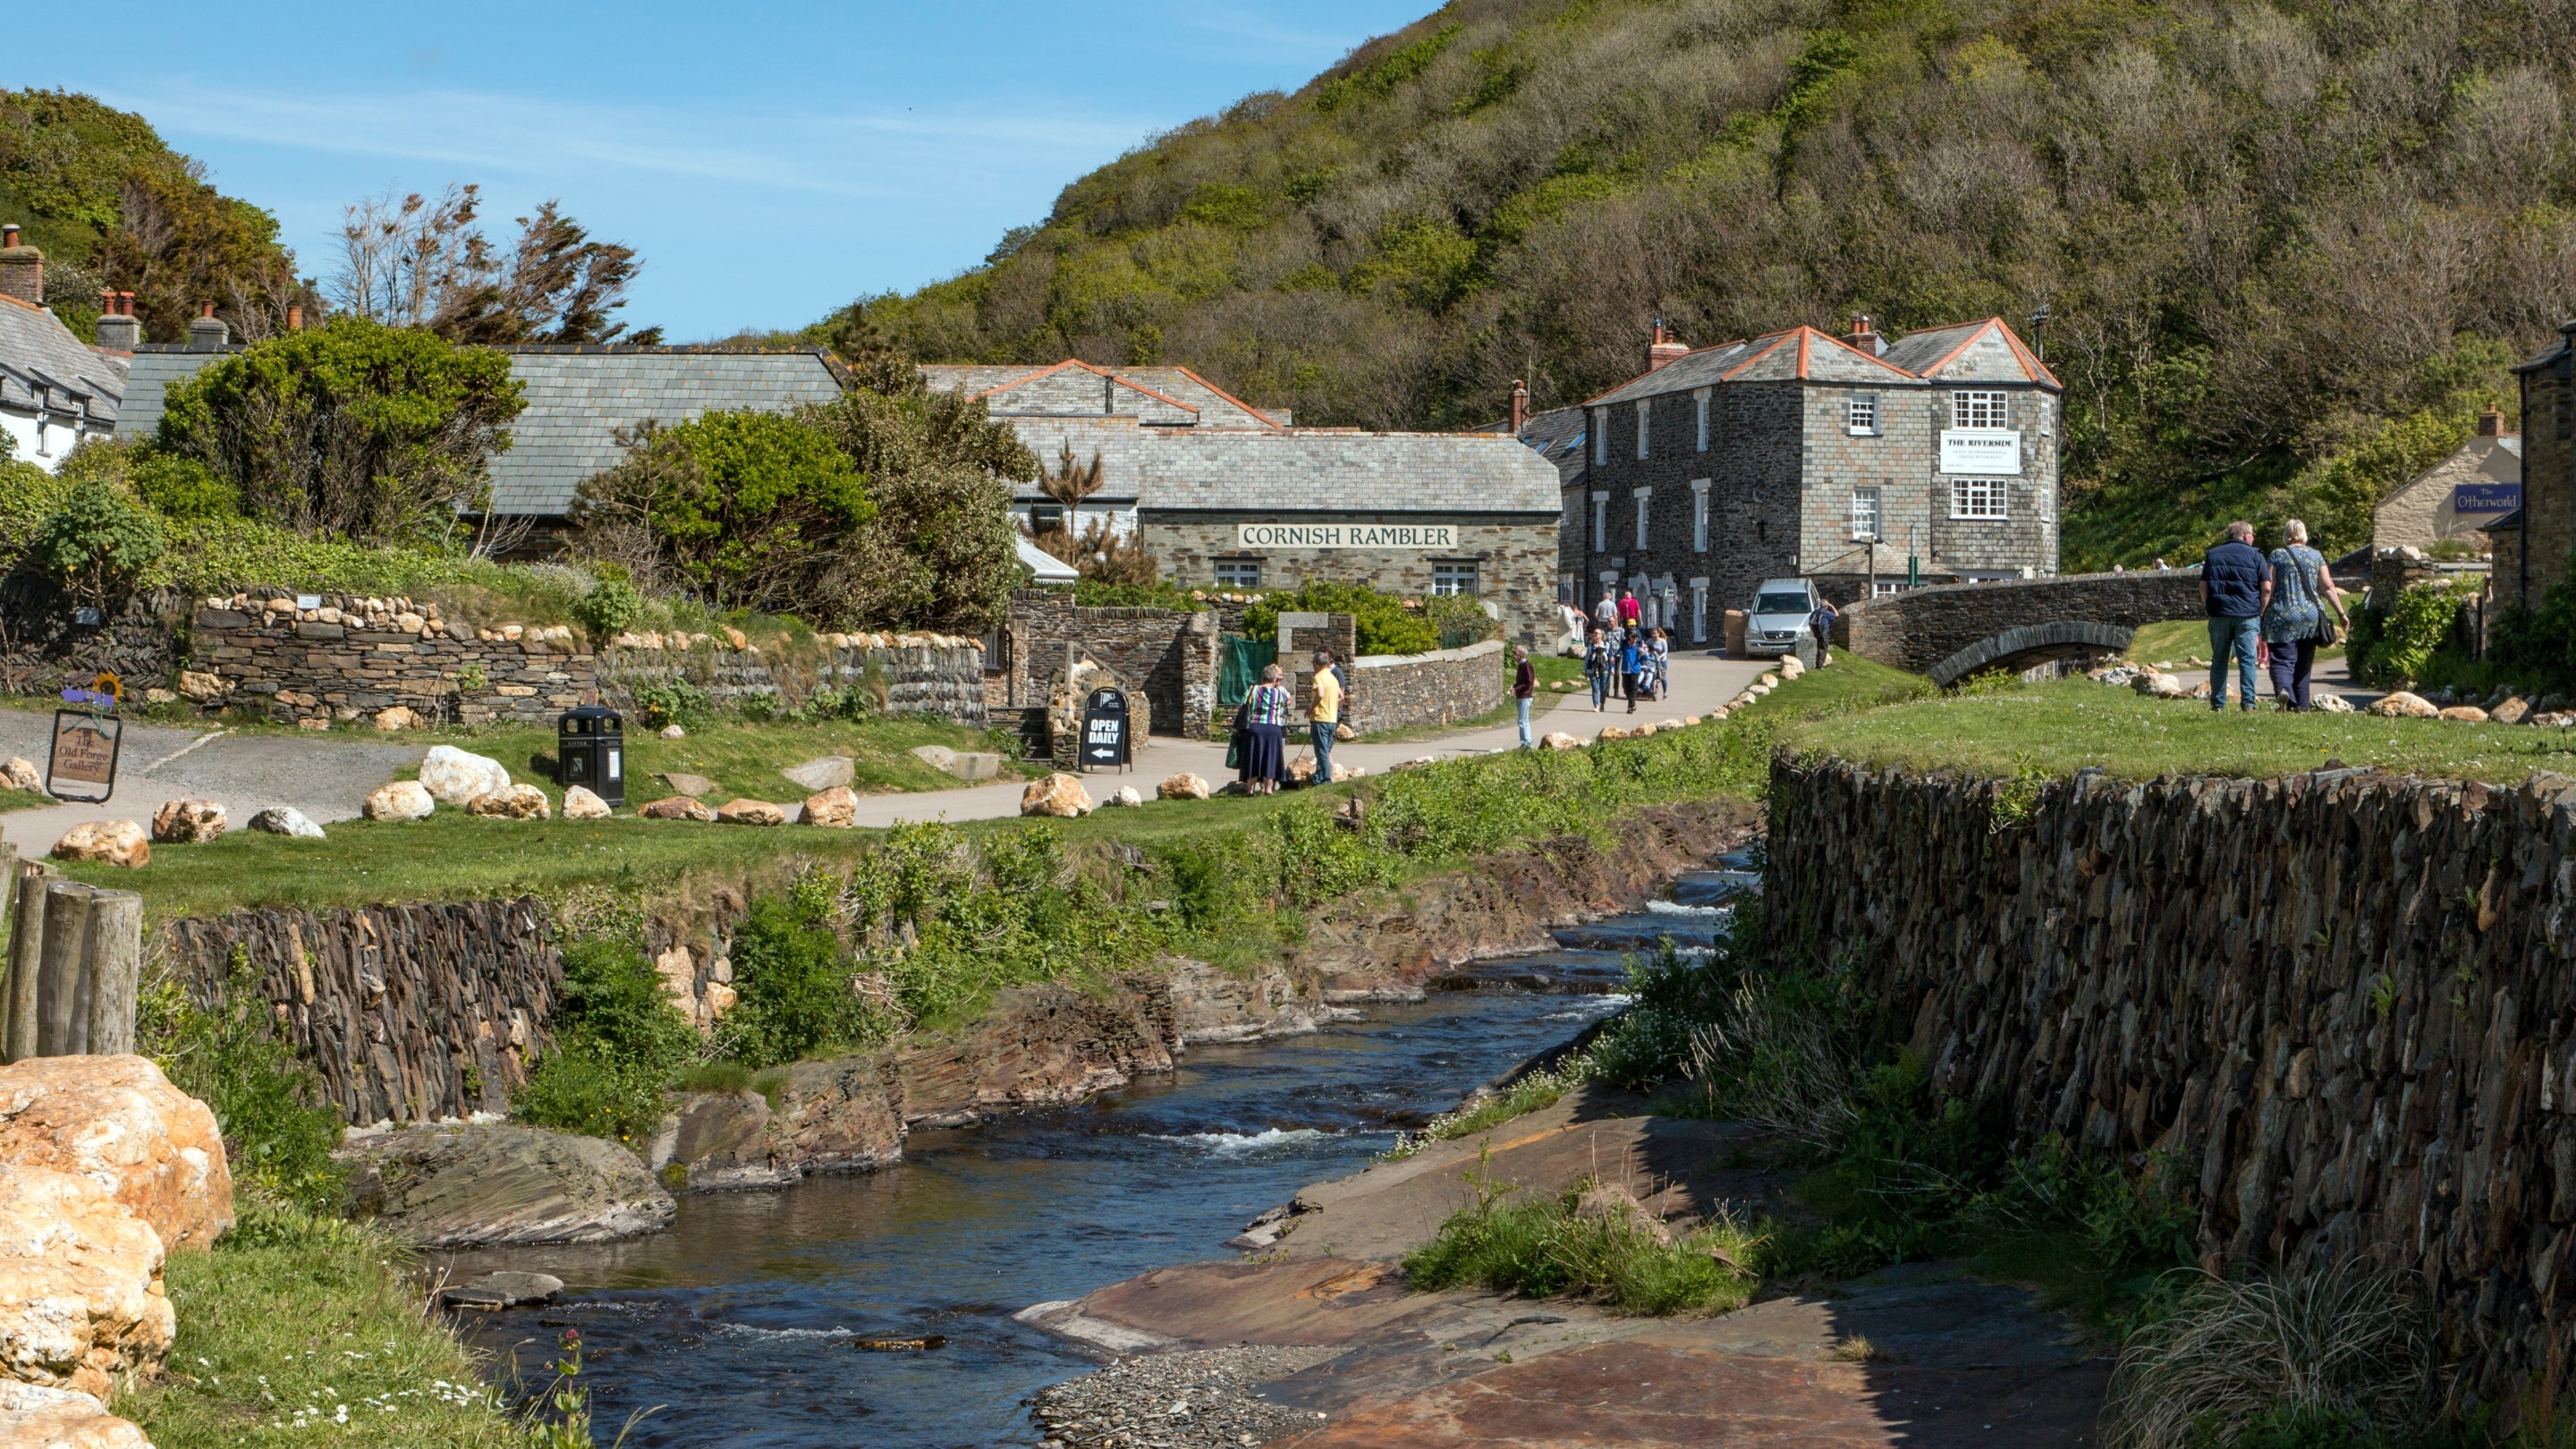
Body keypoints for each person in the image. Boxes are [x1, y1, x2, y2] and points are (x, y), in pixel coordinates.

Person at [2263, 519, 2347, 712]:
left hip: (2282, 614)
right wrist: (2341, 613)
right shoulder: (2315, 555)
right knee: (2304, 663)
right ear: (2304, 534)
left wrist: (2261, 612)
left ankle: (2283, 691)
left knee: (2282, 659)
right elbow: (2328, 587)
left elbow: (2268, 588)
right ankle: (2301, 705)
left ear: (2286, 534)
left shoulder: (2277, 555)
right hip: (2310, 615)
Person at [2202, 521, 2272, 712]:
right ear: (2245, 535)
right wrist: (2261, 610)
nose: (2254, 538)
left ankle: (2217, 704)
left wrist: (2209, 606)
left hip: (2219, 612)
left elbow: (2203, 586)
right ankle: (2248, 702)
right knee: (2247, 660)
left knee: (2219, 659)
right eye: (2253, 535)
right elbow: (2266, 588)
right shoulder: (2256, 556)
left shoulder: (2213, 554)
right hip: (2247, 614)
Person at [1241, 664, 1292, 794]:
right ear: (1274, 679)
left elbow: (1243, 704)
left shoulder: (1253, 690)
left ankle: (1250, 789)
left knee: (1253, 756)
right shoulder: (1278, 693)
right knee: (1271, 756)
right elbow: (1284, 704)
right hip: (1272, 727)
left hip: (1254, 726)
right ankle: (1268, 789)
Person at [1309, 649, 1342, 785]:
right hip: (1332, 719)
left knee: (1321, 750)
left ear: (1316, 664)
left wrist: (1311, 707)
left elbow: (1320, 694)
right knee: (1325, 750)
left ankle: (1325, 779)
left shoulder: (1319, 677)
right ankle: (1319, 776)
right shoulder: (1333, 678)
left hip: (1320, 718)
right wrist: (1333, 707)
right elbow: (1341, 697)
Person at [1584, 627, 1614, 712]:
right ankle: (1596, 705)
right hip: (1593, 669)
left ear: (1601, 635)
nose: (1594, 635)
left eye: (1597, 633)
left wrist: (1612, 669)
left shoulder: (1607, 645)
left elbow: (1611, 657)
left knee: (1603, 688)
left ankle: (1602, 703)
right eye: (1594, 633)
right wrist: (1585, 670)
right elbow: (1587, 658)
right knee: (1595, 687)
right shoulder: (1590, 646)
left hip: (1604, 669)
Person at [1512, 646, 1537, 748]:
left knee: (1523, 721)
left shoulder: (1527, 665)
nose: (1514, 655)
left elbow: (1529, 682)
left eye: (1515, 653)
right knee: (1522, 721)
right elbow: (1521, 682)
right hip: (1521, 696)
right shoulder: (1521, 665)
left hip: (1525, 696)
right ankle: (1526, 743)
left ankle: (1527, 744)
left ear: (1522, 655)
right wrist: (1514, 688)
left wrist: (1516, 689)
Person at [1620, 628, 1643, 714]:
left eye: (1636, 637)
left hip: (1635, 670)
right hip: (1625, 669)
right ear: (1629, 637)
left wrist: (1643, 652)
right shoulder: (1625, 645)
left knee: (1633, 688)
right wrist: (1614, 657)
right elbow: (1619, 653)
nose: (1634, 639)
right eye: (1633, 637)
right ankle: (1632, 703)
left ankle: (1631, 706)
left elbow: (1645, 658)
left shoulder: (1638, 646)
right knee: (1625, 688)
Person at [1648, 629, 1671, 699]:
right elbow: (1645, 647)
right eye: (1652, 634)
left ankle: (1665, 693)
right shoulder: (1649, 641)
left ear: (1658, 634)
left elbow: (1665, 652)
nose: (1654, 635)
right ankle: (1652, 691)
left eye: (1655, 634)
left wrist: (1659, 657)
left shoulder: (1663, 641)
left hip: (1662, 661)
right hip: (1652, 661)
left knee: (1662, 677)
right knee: (1652, 675)